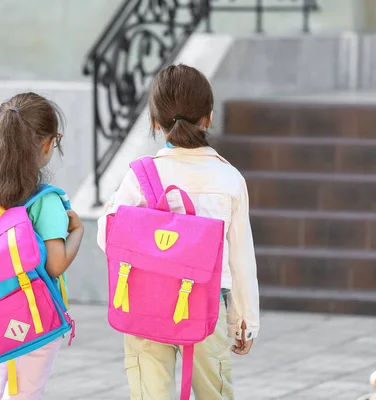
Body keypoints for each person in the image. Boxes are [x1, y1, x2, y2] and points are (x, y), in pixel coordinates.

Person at [97, 64, 260, 399]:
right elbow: (242, 257)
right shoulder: (229, 179)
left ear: (155, 122)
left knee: (150, 393)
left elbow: (107, 236)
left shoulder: (141, 176)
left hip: (144, 301)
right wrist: (244, 322)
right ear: (208, 118)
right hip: (206, 306)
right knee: (214, 392)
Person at [0, 92, 84, 399]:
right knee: (26, 393)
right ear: (47, 145)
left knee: (1, 391)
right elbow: (55, 264)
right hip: (35, 315)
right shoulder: (46, 202)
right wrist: (79, 232)